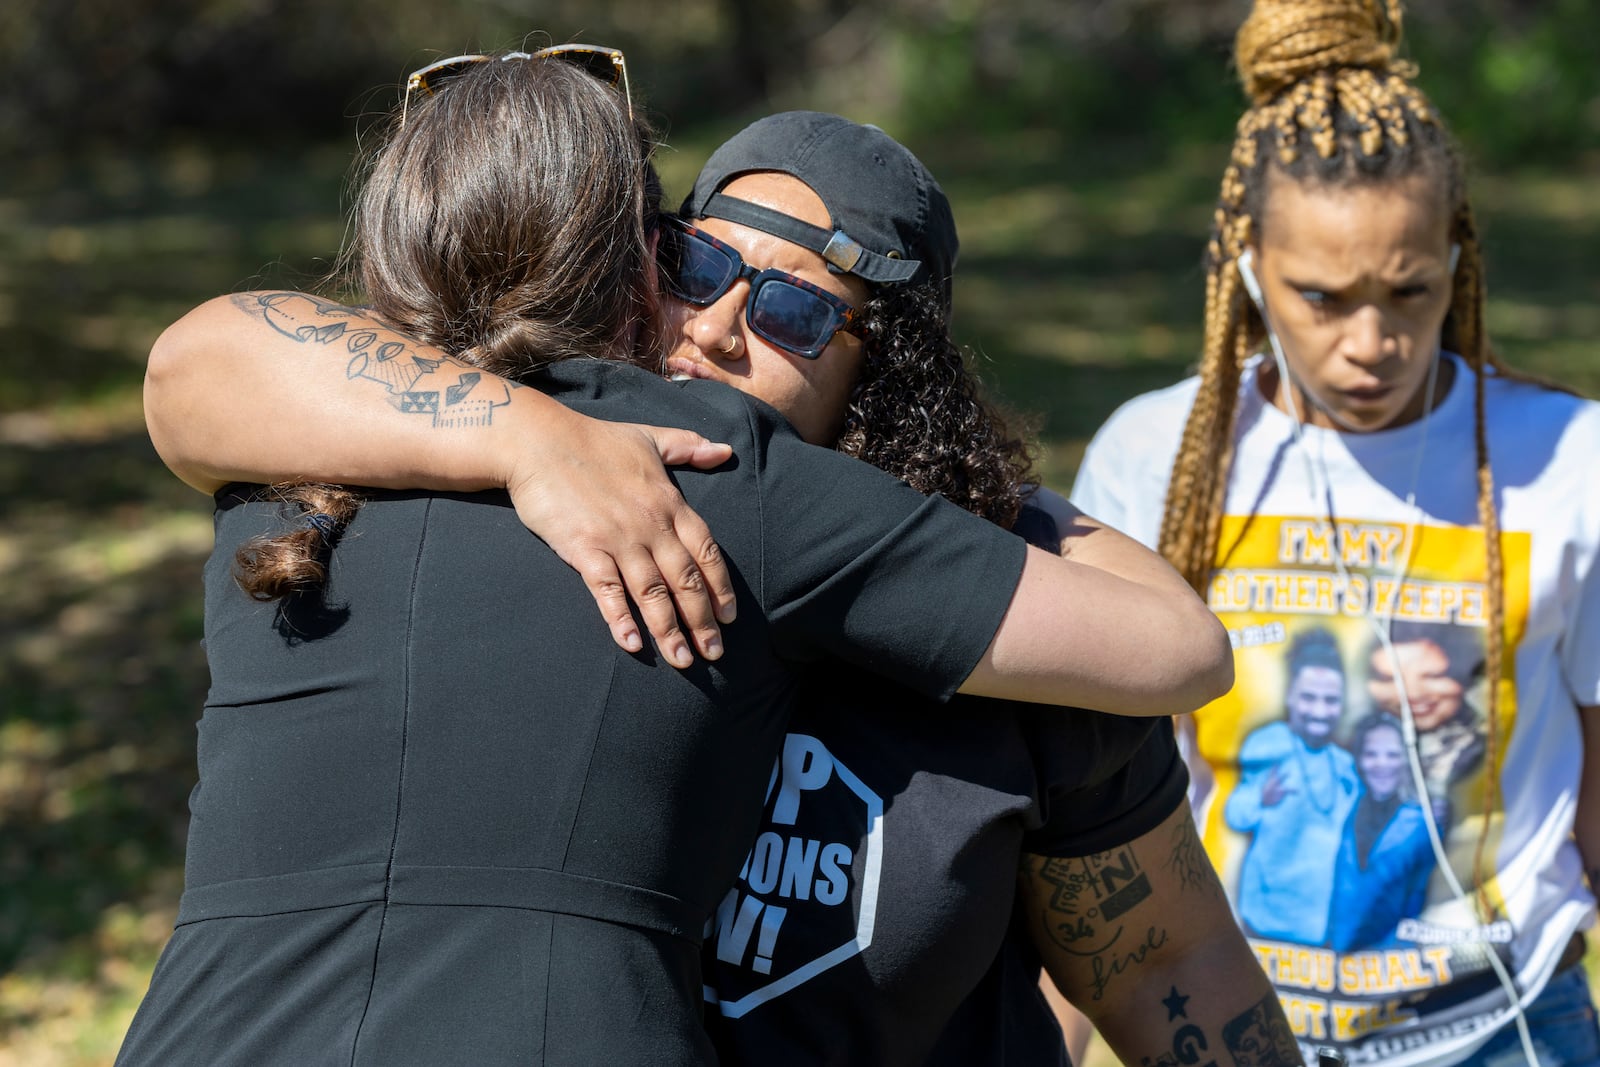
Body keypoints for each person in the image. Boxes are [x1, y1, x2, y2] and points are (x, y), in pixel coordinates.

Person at [121, 49, 1257, 1067]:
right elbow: (196, 361)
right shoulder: (387, 450)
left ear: (891, 378)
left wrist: (961, 497)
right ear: (636, 264)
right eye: (698, 264)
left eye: (797, 315)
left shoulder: (977, 599)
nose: (717, 326)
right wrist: (531, 438)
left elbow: (1174, 936)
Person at [1069, 0, 1600, 1063]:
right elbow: (1094, 793)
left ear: (1458, 254)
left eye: (1410, 290)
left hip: (1505, 1023)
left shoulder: (1569, 459)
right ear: (1246, 261)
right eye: (1322, 296)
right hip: (1227, 1020)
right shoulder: (1153, 456)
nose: (1373, 342)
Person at [1225, 627, 1359, 944]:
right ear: (1290, 697)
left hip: (1322, 920)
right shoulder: (1268, 743)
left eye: (1331, 701)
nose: (1319, 711)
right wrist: (1260, 798)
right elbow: (1236, 814)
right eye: (1309, 698)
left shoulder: (1344, 763)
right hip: (1266, 916)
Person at [1328, 713, 1434, 951]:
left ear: (1408, 759)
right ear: (1358, 759)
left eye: (1393, 755)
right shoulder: (1343, 809)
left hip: (1396, 960)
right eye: (1371, 754)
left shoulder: (1425, 822)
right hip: (1333, 957)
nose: (1381, 764)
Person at [1367, 619, 1486, 824]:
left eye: (1433, 676)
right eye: (1390, 679)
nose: (1412, 694)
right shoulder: (1356, 745)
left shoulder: (1482, 749)